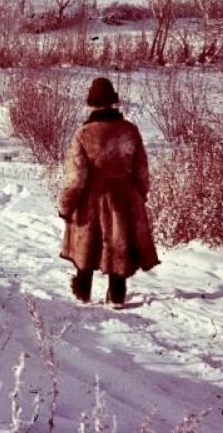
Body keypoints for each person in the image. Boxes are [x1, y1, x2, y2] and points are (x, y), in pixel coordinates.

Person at [57, 77, 159, 307]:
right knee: (119, 243)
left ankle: (83, 292)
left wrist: (66, 205)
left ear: (92, 104)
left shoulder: (84, 134)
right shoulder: (130, 130)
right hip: (124, 195)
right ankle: (117, 296)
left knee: (87, 244)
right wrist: (139, 196)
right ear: (113, 102)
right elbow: (142, 168)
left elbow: (76, 177)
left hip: (92, 198)